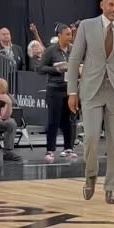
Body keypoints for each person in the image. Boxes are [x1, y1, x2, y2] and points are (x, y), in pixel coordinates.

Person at [66, 0, 114, 205]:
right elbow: (74, 59)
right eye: (110, 5)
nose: (113, 9)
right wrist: (72, 91)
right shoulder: (87, 27)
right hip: (90, 91)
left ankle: (111, 187)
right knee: (90, 138)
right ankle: (90, 176)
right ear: (101, 5)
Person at [40, 24, 76, 161]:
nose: (70, 37)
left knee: (69, 120)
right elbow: (40, 69)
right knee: (53, 120)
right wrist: (56, 70)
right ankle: (50, 150)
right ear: (59, 35)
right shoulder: (51, 50)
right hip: (54, 88)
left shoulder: (73, 50)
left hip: (70, 89)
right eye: (67, 34)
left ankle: (69, 148)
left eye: (70, 34)